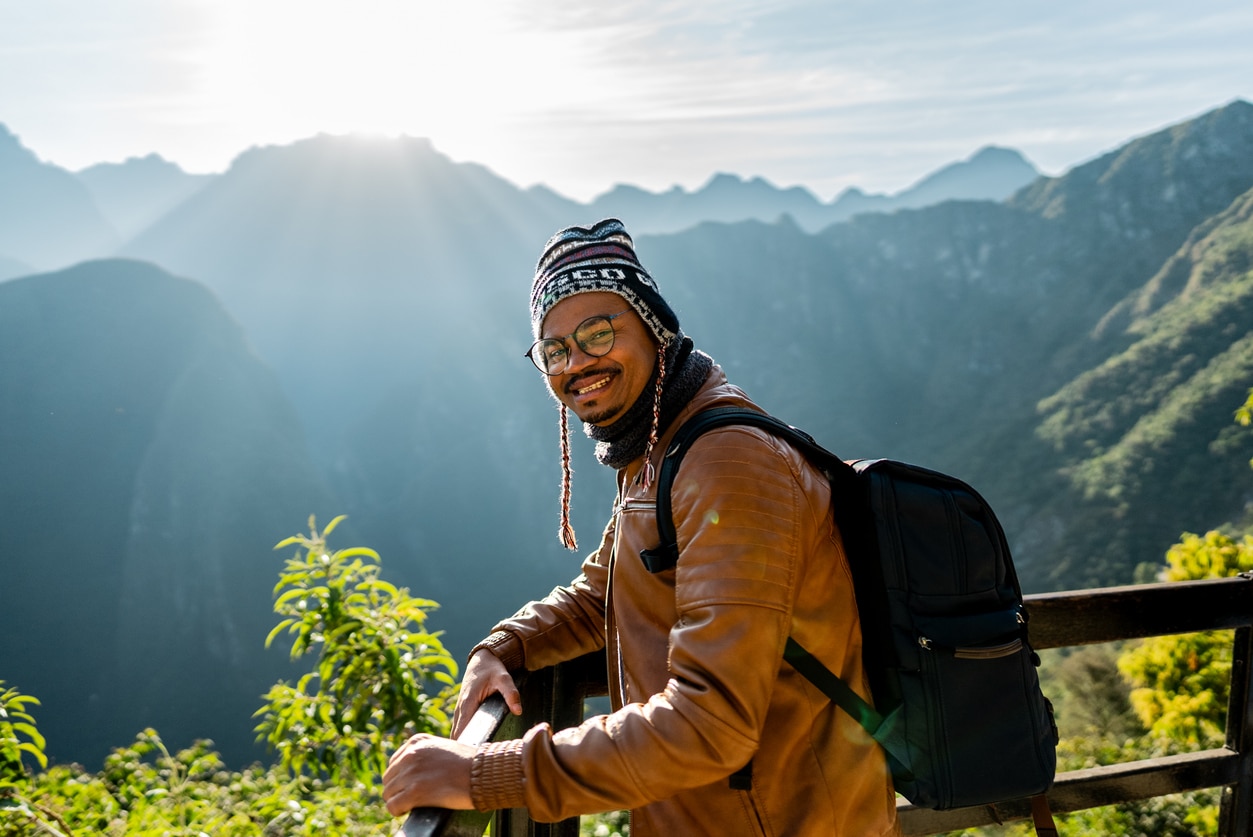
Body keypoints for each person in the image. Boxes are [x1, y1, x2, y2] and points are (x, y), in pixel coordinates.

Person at [382, 218, 901, 836]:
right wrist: (503, 646)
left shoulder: (728, 463)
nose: (577, 362)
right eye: (555, 349)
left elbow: (713, 722)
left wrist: (484, 774)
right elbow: (601, 592)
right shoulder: (659, 455)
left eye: (599, 332)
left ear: (655, 327)